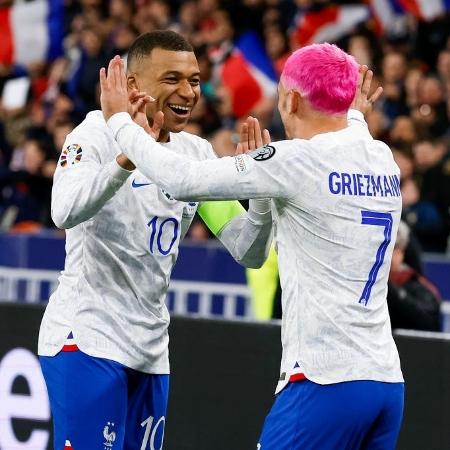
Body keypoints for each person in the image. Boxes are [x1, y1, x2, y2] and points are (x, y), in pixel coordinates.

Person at [101, 43, 405, 449]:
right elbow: (348, 132)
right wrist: (351, 111)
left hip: (324, 380)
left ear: (293, 100)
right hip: (386, 382)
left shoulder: (297, 160)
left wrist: (120, 121)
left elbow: (183, 179)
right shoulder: (383, 159)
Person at [38, 31, 274, 450]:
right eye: (172, 79)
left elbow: (249, 251)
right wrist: (127, 159)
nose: (188, 92)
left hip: (150, 351)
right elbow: (64, 211)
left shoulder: (195, 155)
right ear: (133, 85)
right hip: (86, 339)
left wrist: (262, 199)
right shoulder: (91, 136)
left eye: (195, 80)